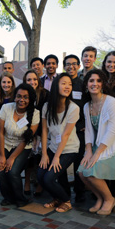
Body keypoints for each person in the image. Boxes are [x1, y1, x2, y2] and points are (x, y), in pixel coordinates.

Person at [78, 69, 115, 216]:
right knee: (82, 173)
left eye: (98, 80)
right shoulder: (86, 106)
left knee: (90, 173)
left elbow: (112, 131)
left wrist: (97, 153)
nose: (94, 83)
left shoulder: (111, 101)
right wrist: (88, 151)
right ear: (86, 85)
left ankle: (109, 199)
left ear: (103, 84)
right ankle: (100, 198)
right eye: (91, 81)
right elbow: (89, 130)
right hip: (100, 142)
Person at [38, 73, 80, 213]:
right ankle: (57, 198)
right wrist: (44, 154)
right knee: (40, 175)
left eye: (69, 84)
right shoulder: (46, 106)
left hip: (69, 148)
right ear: (56, 85)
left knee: (49, 178)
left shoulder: (74, 108)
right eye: (63, 83)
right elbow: (44, 131)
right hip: (52, 147)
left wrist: (56, 157)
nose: (67, 86)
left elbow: (66, 134)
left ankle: (66, 201)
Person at [0, 83, 39, 207]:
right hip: (3, 143)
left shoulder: (35, 114)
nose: (22, 100)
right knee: (0, 170)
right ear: (14, 97)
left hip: (22, 146)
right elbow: (1, 133)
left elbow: (25, 140)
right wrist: (2, 156)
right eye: (19, 96)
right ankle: (8, 198)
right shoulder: (6, 108)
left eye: (25, 97)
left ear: (30, 99)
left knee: (13, 171)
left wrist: (12, 158)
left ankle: (20, 199)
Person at [63, 55, 87, 202]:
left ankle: (80, 192)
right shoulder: (60, 83)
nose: (70, 66)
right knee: (62, 161)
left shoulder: (83, 85)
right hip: (62, 129)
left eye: (73, 64)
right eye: (67, 64)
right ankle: (64, 191)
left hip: (79, 130)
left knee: (79, 162)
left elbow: (88, 107)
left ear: (78, 66)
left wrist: (84, 125)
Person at [23, 70, 48, 196]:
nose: (32, 82)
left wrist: (37, 136)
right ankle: (26, 183)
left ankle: (39, 184)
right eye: (29, 80)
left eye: (34, 79)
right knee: (28, 160)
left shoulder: (44, 94)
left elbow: (45, 117)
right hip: (26, 131)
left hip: (40, 132)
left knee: (39, 159)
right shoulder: (22, 94)